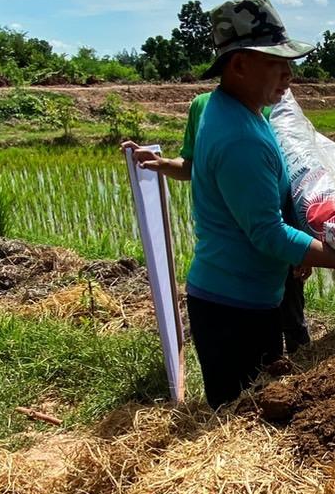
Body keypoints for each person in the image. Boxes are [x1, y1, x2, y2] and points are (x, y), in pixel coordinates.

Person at [127, 0, 335, 407]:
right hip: (236, 310)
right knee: (240, 417)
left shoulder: (234, 110)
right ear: (239, 65)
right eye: (275, 61)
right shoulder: (241, 138)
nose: (288, 73)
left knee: (248, 411)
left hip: (235, 300)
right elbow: (267, 233)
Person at [124, 79, 310, 352]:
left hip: (277, 236)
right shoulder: (202, 106)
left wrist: (302, 247)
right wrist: (161, 164)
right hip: (232, 248)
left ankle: (302, 376)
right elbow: (193, 166)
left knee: (291, 317)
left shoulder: (272, 108)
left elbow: (292, 181)